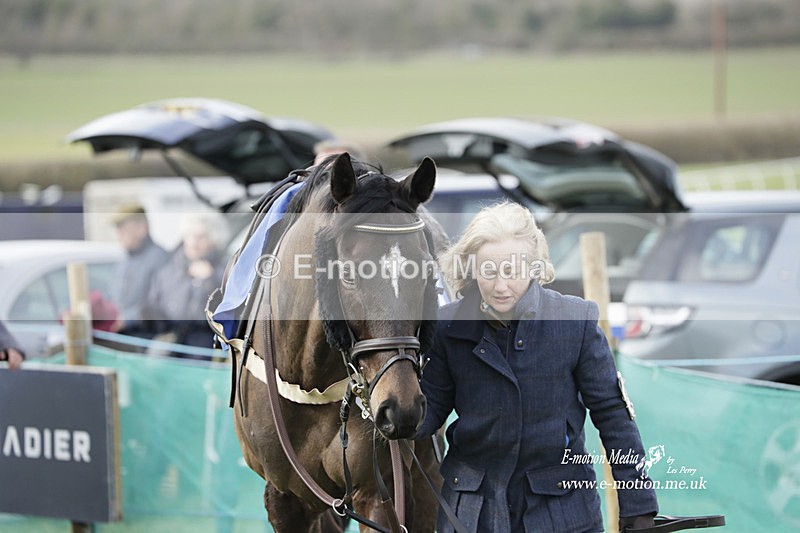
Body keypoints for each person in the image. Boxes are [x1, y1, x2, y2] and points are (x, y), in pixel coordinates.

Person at [416, 202, 658, 532]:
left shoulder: (576, 322)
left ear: (534, 266)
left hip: (562, 513)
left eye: (512, 271)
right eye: (489, 271)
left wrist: (639, 507)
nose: (501, 285)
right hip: (471, 515)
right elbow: (428, 414)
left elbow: (613, 416)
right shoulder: (446, 326)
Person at [144, 211, 229, 351]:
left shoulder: (224, 271)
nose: (194, 242)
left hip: (206, 347)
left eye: (201, 237)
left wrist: (210, 280)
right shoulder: (168, 270)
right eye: (190, 235)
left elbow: (228, 312)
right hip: (169, 344)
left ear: (214, 240)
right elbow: (154, 305)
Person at [109, 203, 170, 336]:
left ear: (142, 228)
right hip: (123, 336)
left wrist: (127, 319)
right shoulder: (125, 260)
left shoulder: (160, 259)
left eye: (123, 228)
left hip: (147, 337)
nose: (119, 235)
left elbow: (160, 305)